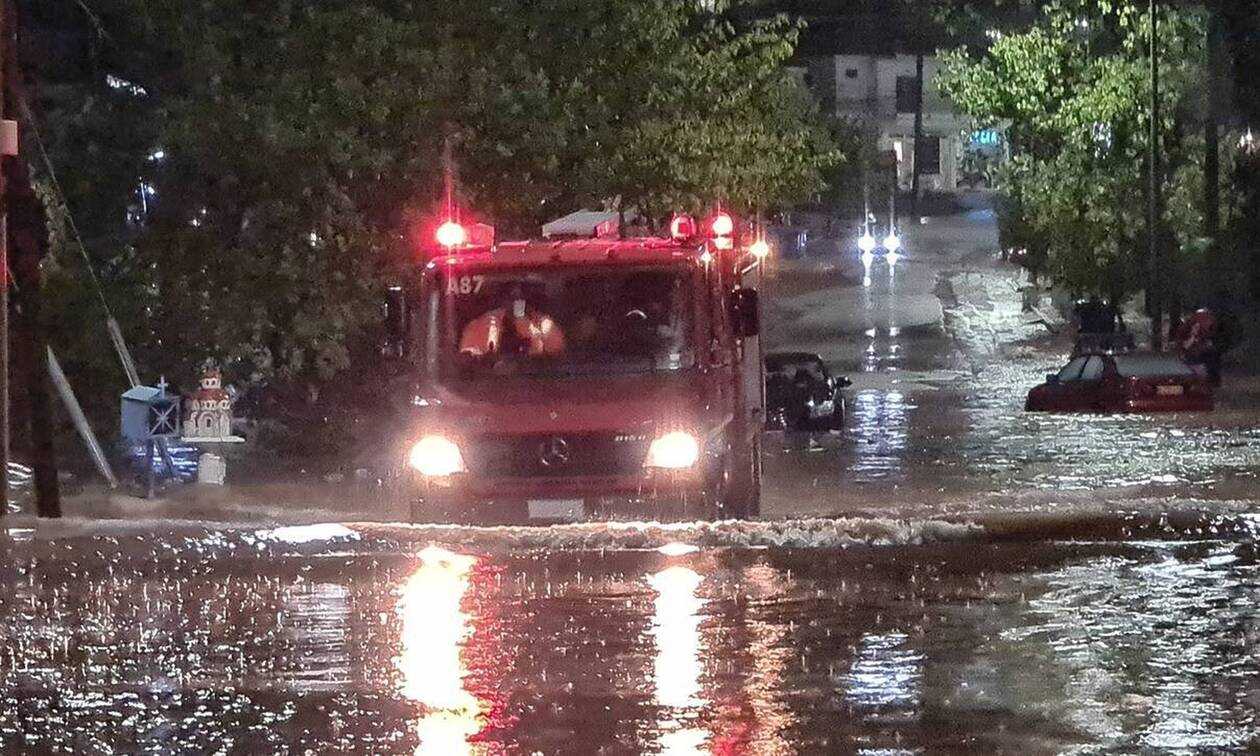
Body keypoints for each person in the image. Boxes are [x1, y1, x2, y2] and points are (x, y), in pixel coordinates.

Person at [460, 283, 565, 359]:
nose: (516, 303)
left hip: (537, 377)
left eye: (521, 299)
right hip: (492, 379)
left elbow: (556, 355)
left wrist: (532, 335)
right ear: (503, 300)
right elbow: (468, 357)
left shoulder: (544, 325)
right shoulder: (482, 325)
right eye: (512, 297)